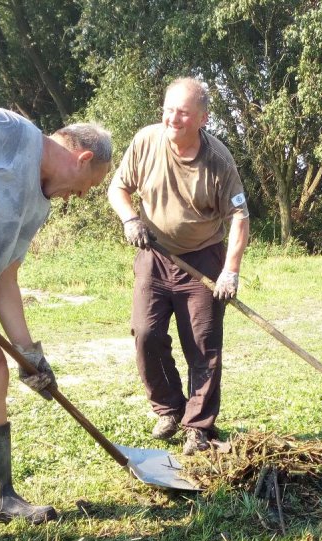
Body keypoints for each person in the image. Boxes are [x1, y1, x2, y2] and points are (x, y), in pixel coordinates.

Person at [0, 103, 112, 523]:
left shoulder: (40, 206)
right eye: (88, 185)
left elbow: (5, 278)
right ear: (83, 157)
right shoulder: (11, 133)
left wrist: (27, 352)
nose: (81, 196)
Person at [108, 77, 249, 455]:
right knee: (145, 334)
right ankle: (169, 409)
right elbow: (118, 188)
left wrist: (230, 270)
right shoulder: (145, 141)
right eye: (168, 110)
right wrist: (129, 219)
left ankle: (199, 426)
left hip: (203, 258)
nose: (172, 118)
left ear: (202, 118)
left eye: (182, 113)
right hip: (154, 256)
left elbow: (239, 216)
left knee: (203, 345)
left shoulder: (218, 161)